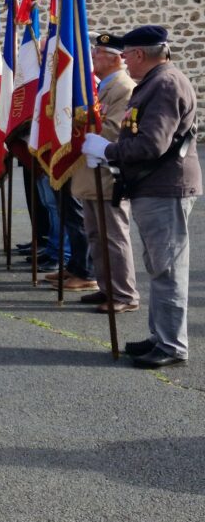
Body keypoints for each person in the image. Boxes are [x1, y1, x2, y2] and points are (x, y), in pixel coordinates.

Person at [84, 25, 201, 369]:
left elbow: (152, 144)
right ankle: (160, 335)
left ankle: (171, 344)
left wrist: (109, 150)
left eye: (125, 55)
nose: (123, 62)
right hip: (156, 186)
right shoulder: (156, 82)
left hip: (166, 186)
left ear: (137, 54)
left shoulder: (163, 84)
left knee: (167, 268)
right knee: (159, 266)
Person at [70, 34, 138, 313]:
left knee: (113, 235)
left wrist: (81, 130)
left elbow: (113, 130)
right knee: (96, 234)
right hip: (92, 171)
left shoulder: (123, 87)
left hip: (108, 172)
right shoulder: (103, 87)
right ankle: (106, 286)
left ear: (114, 58)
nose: (93, 59)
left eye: (97, 54)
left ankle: (124, 294)